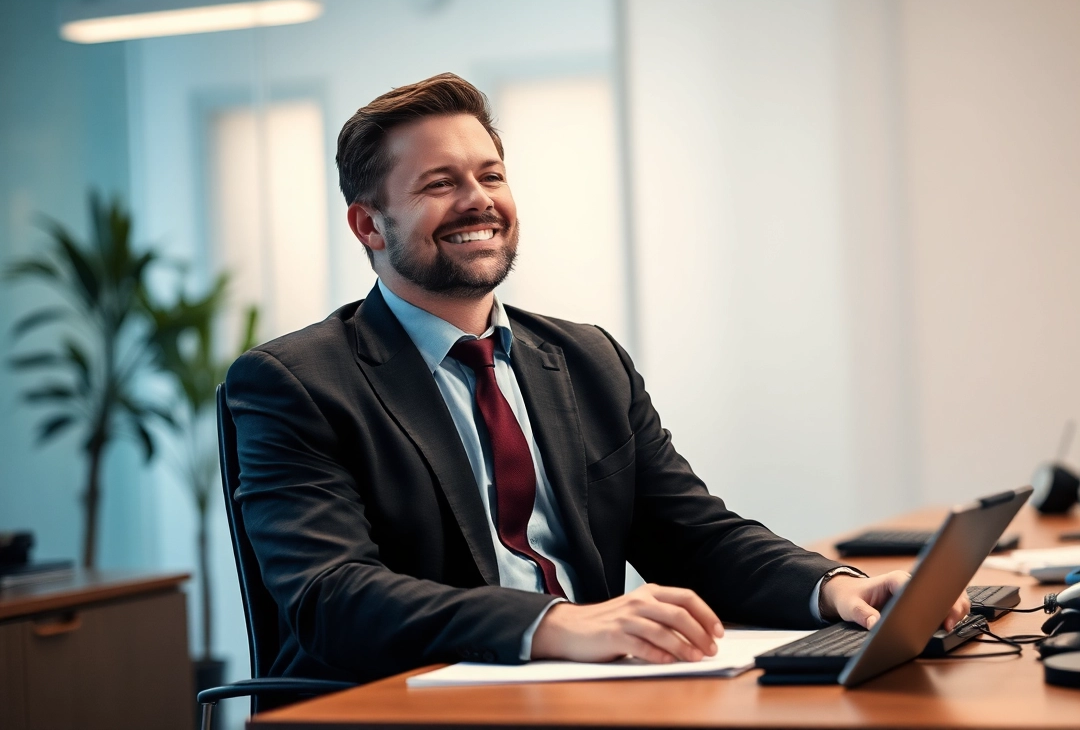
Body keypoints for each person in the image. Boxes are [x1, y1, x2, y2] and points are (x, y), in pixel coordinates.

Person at [225, 72, 969, 683]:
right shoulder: (295, 384)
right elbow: (332, 598)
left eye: (490, 175)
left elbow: (695, 536)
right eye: (440, 184)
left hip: (593, 692)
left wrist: (837, 588)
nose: (478, 200)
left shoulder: (586, 360)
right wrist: (555, 626)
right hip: (411, 699)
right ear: (368, 225)